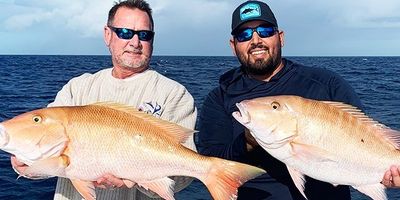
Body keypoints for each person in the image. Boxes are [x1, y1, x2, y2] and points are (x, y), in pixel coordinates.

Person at [197, 0, 397, 199]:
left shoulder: (326, 83)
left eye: (265, 31)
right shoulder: (219, 98)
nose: (256, 40)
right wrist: (247, 143)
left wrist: (387, 176)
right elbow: (212, 165)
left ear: (280, 37)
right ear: (233, 46)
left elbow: (364, 135)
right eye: (244, 35)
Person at [10, 0, 197, 199]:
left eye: (144, 35)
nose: (135, 42)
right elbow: (52, 156)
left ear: (152, 39)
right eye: (125, 33)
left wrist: (135, 178)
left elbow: (182, 179)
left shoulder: (174, 94)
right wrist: (28, 166)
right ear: (107, 35)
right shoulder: (78, 88)